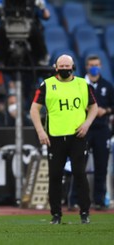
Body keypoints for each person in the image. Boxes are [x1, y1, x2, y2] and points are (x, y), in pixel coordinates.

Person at [29, 54, 98, 224]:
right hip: (55, 137)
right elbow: (34, 109)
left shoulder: (83, 84)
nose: (65, 69)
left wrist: (87, 124)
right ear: (56, 67)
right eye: (62, 66)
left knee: (80, 174)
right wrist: (40, 131)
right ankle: (56, 214)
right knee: (55, 175)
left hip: (77, 136)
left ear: (73, 67)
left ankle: (84, 212)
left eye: (68, 66)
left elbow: (94, 107)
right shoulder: (47, 85)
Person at [83, 55, 114, 210]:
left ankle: (99, 200)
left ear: (101, 66)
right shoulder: (80, 85)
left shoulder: (107, 86)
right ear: (86, 66)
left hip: (102, 130)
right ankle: (76, 200)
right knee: (78, 166)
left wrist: (106, 110)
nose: (94, 67)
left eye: (96, 64)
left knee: (101, 166)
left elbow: (113, 106)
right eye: (91, 64)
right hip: (84, 129)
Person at [0, 0, 50, 66]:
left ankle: (43, 56)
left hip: (28, 25)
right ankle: (0, 60)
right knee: (1, 32)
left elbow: (46, 15)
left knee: (36, 32)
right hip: (10, 24)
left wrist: (42, 8)